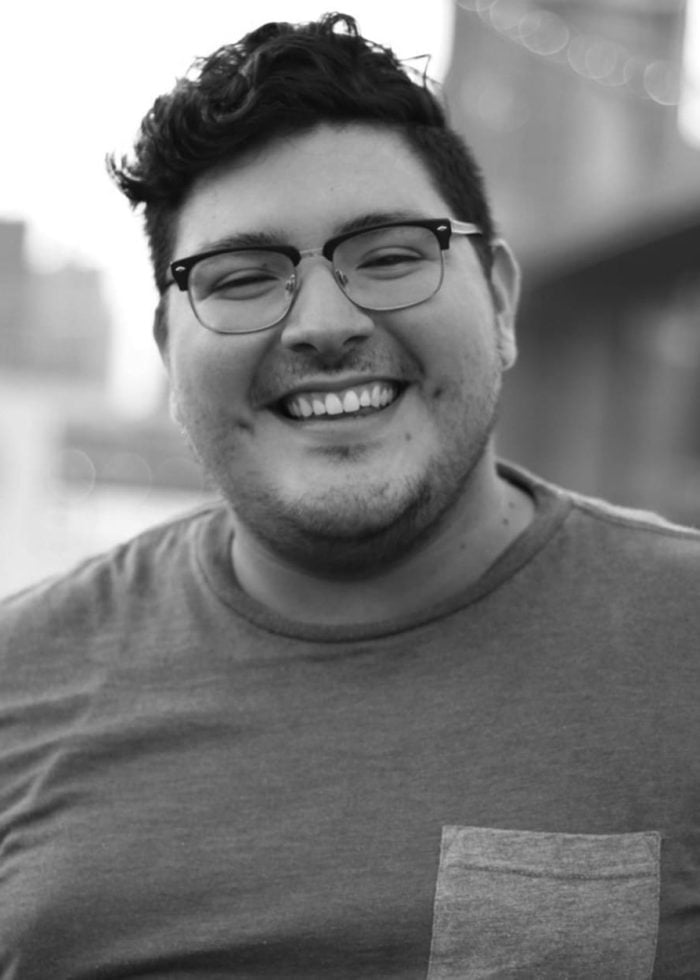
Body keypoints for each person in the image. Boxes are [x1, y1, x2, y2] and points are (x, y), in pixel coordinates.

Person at [0, 12, 698, 978]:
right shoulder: (19, 680)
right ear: (166, 349)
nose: (323, 324)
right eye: (242, 277)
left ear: (500, 300)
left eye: (393, 256)